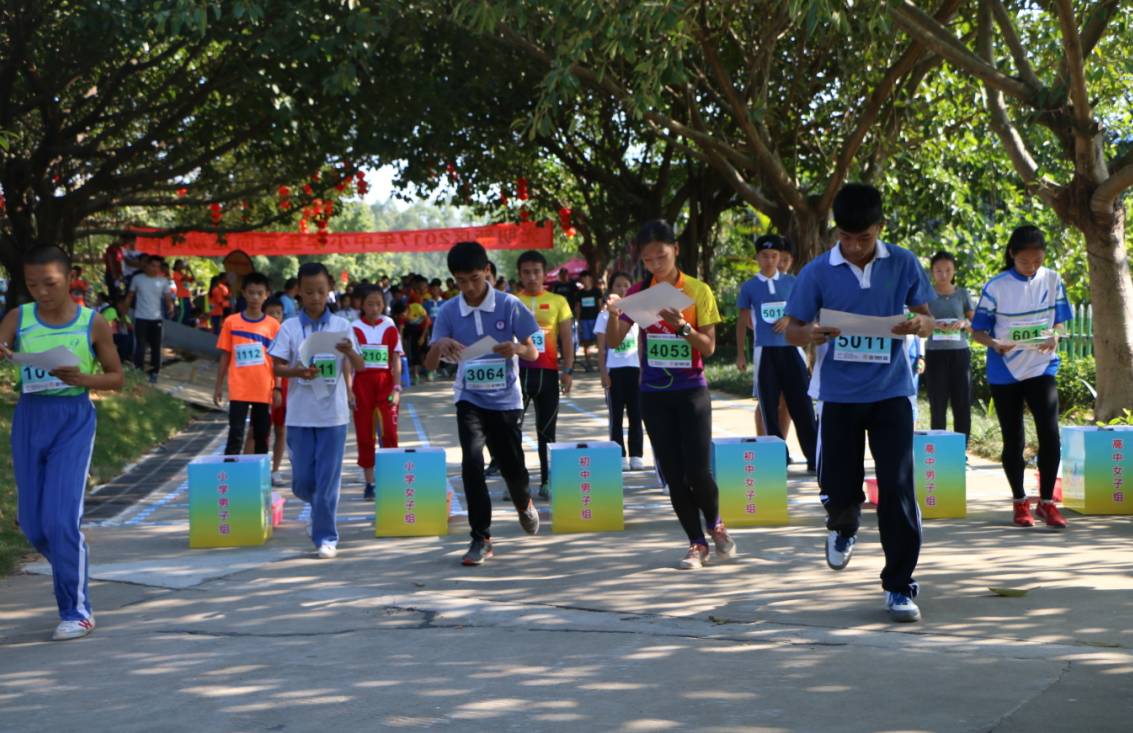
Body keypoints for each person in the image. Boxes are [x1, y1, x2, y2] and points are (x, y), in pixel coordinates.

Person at [784, 183, 934, 623]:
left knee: (898, 487)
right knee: (838, 483)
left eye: (863, 238)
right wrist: (806, 334)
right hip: (838, 394)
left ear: (879, 229)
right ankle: (844, 525)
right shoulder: (817, 272)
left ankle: (899, 585)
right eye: (845, 238)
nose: (853, 247)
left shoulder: (903, 262)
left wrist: (919, 324)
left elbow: (924, 315)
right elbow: (791, 328)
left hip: (891, 391)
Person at [0, 245, 124, 641]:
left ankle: (76, 610)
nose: (41, 292)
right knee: (35, 526)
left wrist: (83, 380)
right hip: (30, 416)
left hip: (72, 418)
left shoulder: (92, 322)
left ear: (70, 279)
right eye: (32, 284)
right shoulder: (19, 317)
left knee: (60, 520)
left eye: (49, 283)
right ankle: (73, 566)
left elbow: (116, 376)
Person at [604, 220, 735, 570]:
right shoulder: (638, 293)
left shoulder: (697, 291)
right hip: (654, 394)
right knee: (673, 475)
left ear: (675, 249)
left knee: (698, 472)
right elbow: (615, 341)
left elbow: (707, 348)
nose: (655, 265)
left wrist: (683, 327)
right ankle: (696, 543)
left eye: (661, 257)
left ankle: (715, 522)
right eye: (648, 261)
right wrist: (616, 314)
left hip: (691, 391)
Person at [424, 241, 542, 566]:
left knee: (512, 466)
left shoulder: (510, 305)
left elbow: (536, 350)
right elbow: (431, 364)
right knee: (472, 463)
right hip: (469, 398)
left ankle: (523, 502)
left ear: (488, 271)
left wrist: (517, 349)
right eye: (462, 281)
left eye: (475, 278)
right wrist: (441, 345)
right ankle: (481, 537)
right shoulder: (448, 311)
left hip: (506, 400)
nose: (470, 287)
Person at [971, 225, 1071, 528]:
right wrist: (994, 344)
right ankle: (1019, 502)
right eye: (1025, 261)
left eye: (1038, 261)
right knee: (1014, 438)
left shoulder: (1053, 280)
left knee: (1050, 434)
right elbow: (978, 332)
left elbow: (1061, 323)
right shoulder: (997, 286)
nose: (1032, 267)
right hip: (1006, 369)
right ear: (1012, 254)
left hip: (1041, 365)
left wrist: (1055, 337)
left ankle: (1047, 502)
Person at [268, 262, 364, 559]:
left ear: (330, 289)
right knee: (303, 482)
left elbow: (360, 366)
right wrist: (297, 372)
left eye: (321, 291)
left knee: (327, 479)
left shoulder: (342, 326)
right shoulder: (289, 327)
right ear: (298, 292)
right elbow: (276, 366)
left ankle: (325, 536)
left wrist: (349, 352)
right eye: (309, 292)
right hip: (299, 414)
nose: (315, 297)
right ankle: (319, 507)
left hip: (333, 415)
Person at [735, 235, 818, 471]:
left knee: (802, 404)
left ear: (781, 257)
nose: (769, 260)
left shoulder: (793, 282)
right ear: (757, 258)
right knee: (768, 406)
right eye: (764, 256)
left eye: (774, 256)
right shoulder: (750, 286)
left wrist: (788, 318)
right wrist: (741, 353)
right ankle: (776, 456)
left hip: (792, 350)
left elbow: (805, 312)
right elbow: (742, 321)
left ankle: (814, 456)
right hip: (765, 353)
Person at [515, 250, 575, 499]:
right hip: (517, 375)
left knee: (547, 432)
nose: (531, 277)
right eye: (526, 272)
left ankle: (547, 481)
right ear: (519, 275)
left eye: (536, 272)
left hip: (548, 374)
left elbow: (566, 338)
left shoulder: (559, 302)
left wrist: (568, 369)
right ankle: (517, 483)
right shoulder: (511, 301)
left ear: (544, 273)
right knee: (511, 432)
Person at [213, 273, 281, 456]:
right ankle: (230, 475)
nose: (255, 298)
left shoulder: (273, 326)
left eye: (260, 293)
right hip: (239, 388)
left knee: (261, 435)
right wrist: (218, 385)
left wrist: (278, 388)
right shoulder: (231, 322)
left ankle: (261, 478)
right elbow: (225, 356)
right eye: (251, 293)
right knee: (235, 433)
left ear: (267, 294)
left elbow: (277, 360)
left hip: (264, 388)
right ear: (243, 293)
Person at [351, 285, 404, 499]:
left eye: (379, 304)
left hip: (385, 384)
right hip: (361, 385)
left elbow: (396, 358)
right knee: (365, 434)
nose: (375, 308)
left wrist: (397, 387)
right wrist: (349, 391)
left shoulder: (389, 326)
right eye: (370, 304)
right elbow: (347, 362)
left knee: (389, 432)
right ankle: (370, 483)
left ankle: (391, 480)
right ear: (361, 305)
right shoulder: (353, 327)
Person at [595, 271, 644, 471]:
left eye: (626, 285)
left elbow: (641, 343)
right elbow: (602, 347)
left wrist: (643, 370)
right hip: (614, 370)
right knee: (616, 416)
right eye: (618, 286)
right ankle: (619, 453)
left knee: (636, 414)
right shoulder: (604, 315)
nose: (622, 289)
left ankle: (636, 454)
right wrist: (603, 372)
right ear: (611, 289)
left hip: (634, 369)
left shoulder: (638, 313)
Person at [924, 251, 974, 442]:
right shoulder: (925, 294)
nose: (943, 275)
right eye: (938, 271)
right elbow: (917, 319)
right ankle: (939, 446)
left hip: (959, 353)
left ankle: (962, 449)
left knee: (962, 402)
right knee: (938, 402)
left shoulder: (962, 294)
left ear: (954, 271)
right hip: (935, 354)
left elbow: (974, 324)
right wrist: (933, 324)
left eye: (948, 270)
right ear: (932, 272)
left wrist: (962, 324)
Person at [127, 255, 173, 383]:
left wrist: (170, 307)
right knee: (140, 346)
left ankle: (154, 372)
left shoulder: (163, 281)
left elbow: (167, 296)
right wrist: (124, 314)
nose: (155, 269)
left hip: (156, 319)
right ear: (146, 265)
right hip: (141, 317)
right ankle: (138, 371)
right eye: (153, 265)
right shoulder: (137, 279)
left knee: (156, 347)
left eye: (158, 266)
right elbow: (130, 296)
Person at [263, 297, 289, 485]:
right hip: (262, 389)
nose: (274, 317)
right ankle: (258, 468)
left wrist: (278, 387)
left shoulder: (286, 335)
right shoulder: (259, 334)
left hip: (282, 388)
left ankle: (275, 470)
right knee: (259, 431)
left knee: (281, 430)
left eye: (278, 313)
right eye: (270, 313)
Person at [576, 270, 603, 372]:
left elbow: (600, 306)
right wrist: (578, 322)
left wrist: (601, 319)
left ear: (590, 279)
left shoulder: (597, 291)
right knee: (586, 343)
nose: (585, 281)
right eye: (583, 279)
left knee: (599, 342)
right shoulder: (579, 293)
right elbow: (578, 308)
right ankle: (589, 364)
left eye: (586, 279)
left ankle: (601, 364)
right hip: (584, 320)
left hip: (596, 320)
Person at [172, 260, 195, 324]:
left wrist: (190, 270)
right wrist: (187, 271)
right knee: (183, 312)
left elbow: (193, 279)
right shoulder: (175, 273)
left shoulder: (183, 274)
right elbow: (183, 279)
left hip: (187, 295)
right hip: (181, 296)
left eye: (182, 264)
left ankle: (185, 325)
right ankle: (178, 325)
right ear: (176, 265)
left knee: (188, 312)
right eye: (181, 264)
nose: (182, 266)